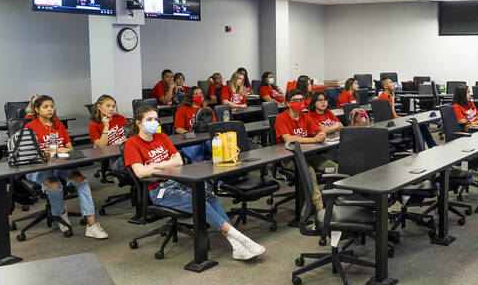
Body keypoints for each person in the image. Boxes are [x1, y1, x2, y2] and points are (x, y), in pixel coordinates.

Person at [124, 104, 265, 261]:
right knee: (200, 203)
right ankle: (240, 239)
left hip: (179, 181)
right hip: (160, 190)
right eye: (149, 119)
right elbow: (140, 172)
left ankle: (236, 244)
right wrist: (166, 164)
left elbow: (178, 162)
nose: (154, 123)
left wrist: (154, 166)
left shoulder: (162, 137)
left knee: (210, 198)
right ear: (138, 122)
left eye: (156, 119)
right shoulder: (132, 143)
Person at [22, 94, 107, 239]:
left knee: (82, 181)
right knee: (55, 186)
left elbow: (70, 147)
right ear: (36, 109)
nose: (50, 110)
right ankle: (60, 214)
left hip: (60, 164)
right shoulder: (29, 127)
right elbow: (27, 154)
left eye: (52, 106)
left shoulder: (58, 125)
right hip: (38, 168)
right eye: (45, 107)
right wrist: (44, 153)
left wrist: (65, 150)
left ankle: (92, 225)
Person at [274, 91, 333, 211]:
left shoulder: (305, 116)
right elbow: (288, 139)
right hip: (290, 158)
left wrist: (321, 134)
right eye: (295, 100)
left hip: (309, 154)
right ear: (288, 103)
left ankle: (330, 199)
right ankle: (319, 207)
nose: (299, 102)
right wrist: (313, 139)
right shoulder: (281, 118)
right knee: (309, 170)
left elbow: (318, 131)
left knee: (335, 167)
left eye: (301, 99)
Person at [173, 86, 214, 161]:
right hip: (192, 139)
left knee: (211, 144)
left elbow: (214, 125)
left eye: (201, 93)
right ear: (190, 97)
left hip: (206, 137)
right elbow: (178, 129)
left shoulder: (208, 110)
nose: (199, 95)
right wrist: (189, 134)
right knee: (198, 148)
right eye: (196, 94)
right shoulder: (182, 109)